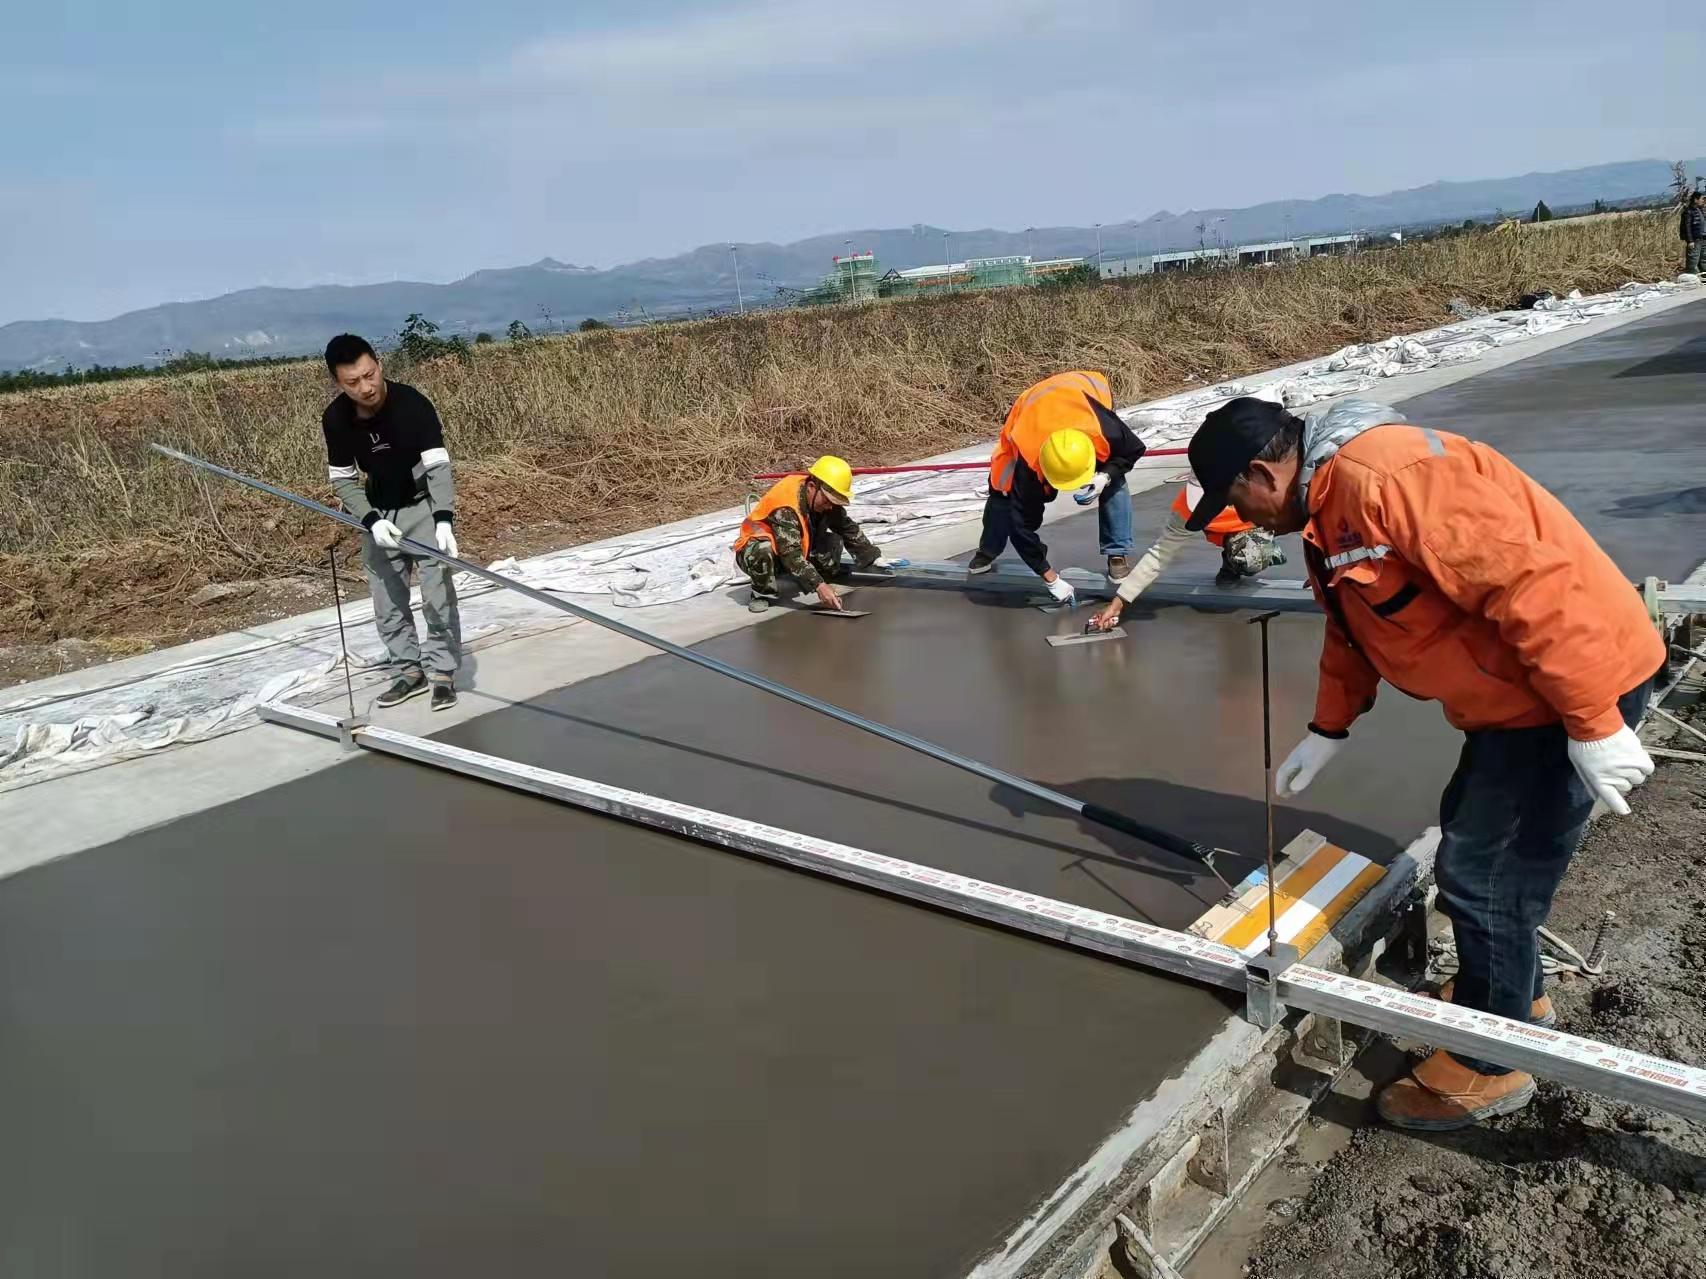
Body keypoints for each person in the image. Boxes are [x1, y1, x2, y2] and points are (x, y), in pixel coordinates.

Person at [1183, 395, 1663, 1131]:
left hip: (1564, 689)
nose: (1239, 519)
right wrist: (1329, 727)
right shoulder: (1327, 508)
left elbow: (1533, 585)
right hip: (1517, 702)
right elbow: (1353, 627)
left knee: (1485, 877)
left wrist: (1593, 720)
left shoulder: (1387, 479)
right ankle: (1511, 997)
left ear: (1259, 472)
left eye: (1234, 500)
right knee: (1477, 848)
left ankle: (1491, 1063)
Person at [321, 333, 464, 711]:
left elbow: (437, 466)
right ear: (338, 382)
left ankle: (443, 673)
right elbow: (343, 480)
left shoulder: (412, 404)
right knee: (387, 601)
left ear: (379, 365)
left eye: (370, 375)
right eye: (353, 382)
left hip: (422, 507)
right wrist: (371, 520)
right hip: (379, 512)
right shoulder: (336, 419)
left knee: (437, 596)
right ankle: (409, 671)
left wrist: (444, 519)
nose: (366, 387)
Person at [969, 370, 1146, 604]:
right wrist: (1050, 578)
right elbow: (1020, 527)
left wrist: (1105, 476)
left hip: (1084, 393)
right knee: (1003, 490)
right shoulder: (1027, 461)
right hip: (1030, 413)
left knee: (1116, 481)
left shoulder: (1103, 428)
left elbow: (1133, 449)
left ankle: (1117, 554)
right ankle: (987, 551)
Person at [1087, 480, 1287, 632]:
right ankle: (1231, 557)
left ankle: (1239, 560)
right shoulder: (1188, 508)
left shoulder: (1261, 490)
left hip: (1256, 525)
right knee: (1242, 549)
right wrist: (1118, 603)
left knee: (1254, 555)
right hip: (1233, 530)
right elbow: (1158, 555)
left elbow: (1300, 513)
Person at [734, 456, 890, 613]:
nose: (830, 506)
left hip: (794, 546)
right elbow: (790, 553)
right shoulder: (785, 507)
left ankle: (806, 575)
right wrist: (819, 585)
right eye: (828, 501)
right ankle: (761, 593)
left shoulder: (822, 496)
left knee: (833, 542)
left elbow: (846, 527)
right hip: (758, 553)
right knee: (763, 550)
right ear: (811, 487)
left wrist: (873, 557)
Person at [1681, 190, 1706, 275]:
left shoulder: (1700, 210)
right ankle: (1692, 276)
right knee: (1693, 259)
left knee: (1703, 258)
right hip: (1695, 239)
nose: (1703, 200)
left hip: (1703, 238)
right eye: (1702, 199)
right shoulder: (1689, 211)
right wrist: (1690, 240)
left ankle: (1703, 276)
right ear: (1696, 199)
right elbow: (1687, 227)